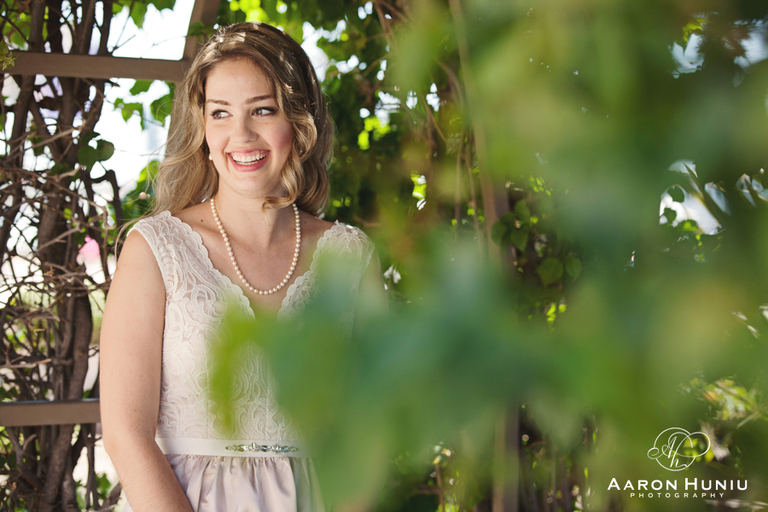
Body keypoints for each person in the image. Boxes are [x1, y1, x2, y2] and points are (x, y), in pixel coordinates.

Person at [100, 22, 385, 512]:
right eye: (221, 114)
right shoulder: (155, 248)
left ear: (298, 124)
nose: (241, 135)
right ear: (203, 129)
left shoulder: (351, 256)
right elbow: (126, 435)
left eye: (262, 110)